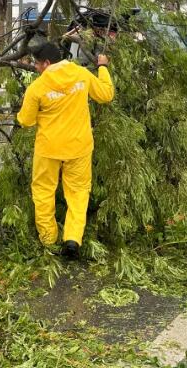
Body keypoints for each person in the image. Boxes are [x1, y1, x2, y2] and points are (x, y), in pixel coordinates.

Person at [17, 42, 114, 259]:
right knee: (78, 193)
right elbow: (106, 94)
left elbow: (25, 121)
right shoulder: (80, 74)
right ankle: (72, 240)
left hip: (48, 148)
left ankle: (49, 240)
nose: (36, 68)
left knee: (43, 192)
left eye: (37, 64)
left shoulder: (38, 87)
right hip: (79, 146)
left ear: (47, 63)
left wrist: (43, 113)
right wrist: (103, 66)